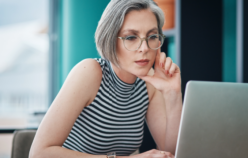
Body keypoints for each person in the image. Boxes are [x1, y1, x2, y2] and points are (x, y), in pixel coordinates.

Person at [29, 0, 182, 157]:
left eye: (152, 36)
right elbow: (39, 153)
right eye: (130, 37)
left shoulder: (149, 85)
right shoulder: (89, 73)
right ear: (110, 40)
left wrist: (173, 93)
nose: (145, 48)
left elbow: (171, 153)